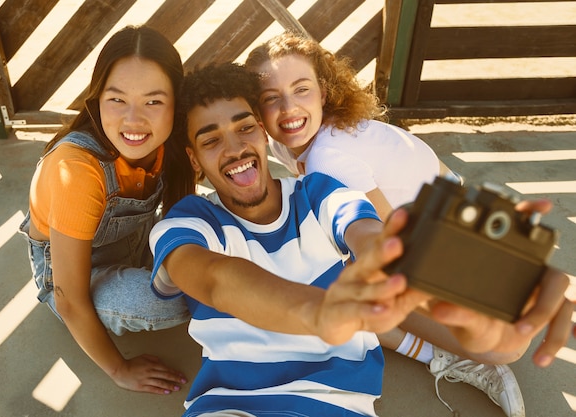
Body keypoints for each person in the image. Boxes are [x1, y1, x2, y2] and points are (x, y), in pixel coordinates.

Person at [148, 62, 573, 417]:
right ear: (194, 159)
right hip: (231, 408)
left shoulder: (320, 192)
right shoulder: (186, 222)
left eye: (244, 129)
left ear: (263, 133)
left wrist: (489, 316)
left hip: (338, 407)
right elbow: (218, 280)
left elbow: (371, 237)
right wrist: (320, 313)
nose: (235, 148)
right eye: (211, 139)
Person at [244, 31, 514, 416]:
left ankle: (454, 354)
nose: (288, 108)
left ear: (323, 91)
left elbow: (393, 244)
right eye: (271, 98)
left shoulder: (329, 158)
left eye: (300, 89)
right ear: (257, 109)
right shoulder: (305, 136)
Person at [18, 25, 194, 394]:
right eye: (117, 100)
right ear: (96, 99)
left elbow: (184, 212)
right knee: (176, 300)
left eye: (153, 101)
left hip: (136, 242)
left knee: (220, 239)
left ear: (176, 104)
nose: (133, 120)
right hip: (71, 278)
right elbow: (69, 298)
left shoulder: (169, 142)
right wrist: (119, 369)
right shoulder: (77, 170)